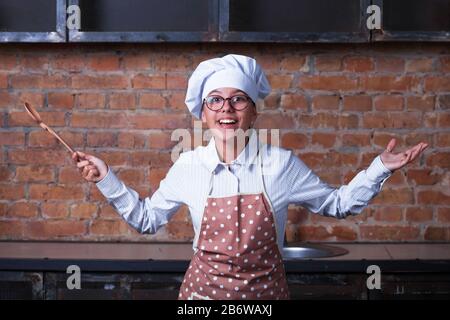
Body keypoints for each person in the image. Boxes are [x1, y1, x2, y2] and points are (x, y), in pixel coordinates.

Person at [72, 54, 428, 300]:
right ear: (203, 114)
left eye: (238, 99)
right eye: (215, 100)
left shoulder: (281, 165)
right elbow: (147, 220)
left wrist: (379, 167)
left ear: (254, 112)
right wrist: (106, 177)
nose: (226, 108)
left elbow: (337, 205)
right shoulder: (188, 166)